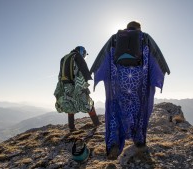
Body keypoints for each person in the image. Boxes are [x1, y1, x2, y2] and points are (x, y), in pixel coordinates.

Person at [90, 21, 170, 160]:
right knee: (140, 108)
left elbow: (102, 58)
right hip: (139, 81)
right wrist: (163, 70)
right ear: (139, 28)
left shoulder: (114, 38)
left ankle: (113, 143)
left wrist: (95, 71)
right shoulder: (145, 37)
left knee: (114, 107)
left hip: (118, 79)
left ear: (127, 27)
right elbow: (156, 57)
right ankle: (139, 139)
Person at [54, 46, 100, 132]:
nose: (84, 56)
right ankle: (97, 124)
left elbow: (60, 74)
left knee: (70, 104)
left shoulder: (64, 58)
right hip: (76, 85)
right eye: (84, 54)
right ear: (82, 52)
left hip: (65, 86)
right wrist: (84, 86)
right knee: (89, 104)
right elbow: (81, 72)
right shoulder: (77, 56)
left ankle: (72, 128)